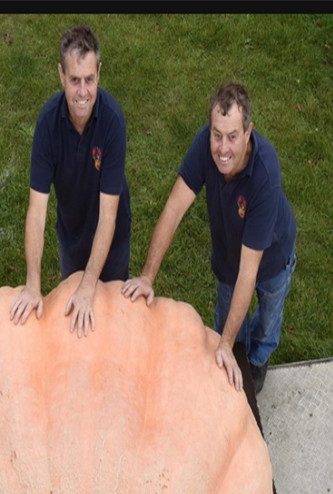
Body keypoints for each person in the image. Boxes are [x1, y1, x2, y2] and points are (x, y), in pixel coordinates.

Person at [122, 82, 296, 394]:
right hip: (230, 259)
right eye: (217, 135)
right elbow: (174, 209)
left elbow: (249, 271)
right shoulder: (206, 145)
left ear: (248, 132)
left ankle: (258, 359)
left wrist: (226, 344)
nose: (223, 148)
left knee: (269, 319)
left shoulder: (265, 178)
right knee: (227, 320)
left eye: (232, 137)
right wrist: (148, 276)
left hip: (272, 260)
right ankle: (233, 350)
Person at [9, 24, 132, 338]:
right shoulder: (48, 125)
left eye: (89, 80)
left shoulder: (113, 123)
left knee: (110, 318)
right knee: (75, 323)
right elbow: (36, 212)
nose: (82, 92)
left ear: (99, 74)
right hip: (72, 234)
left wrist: (90, 284)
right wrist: (33, 286)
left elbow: (108, 216)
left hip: (112, 236)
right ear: (61, 74)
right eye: (74, 80)